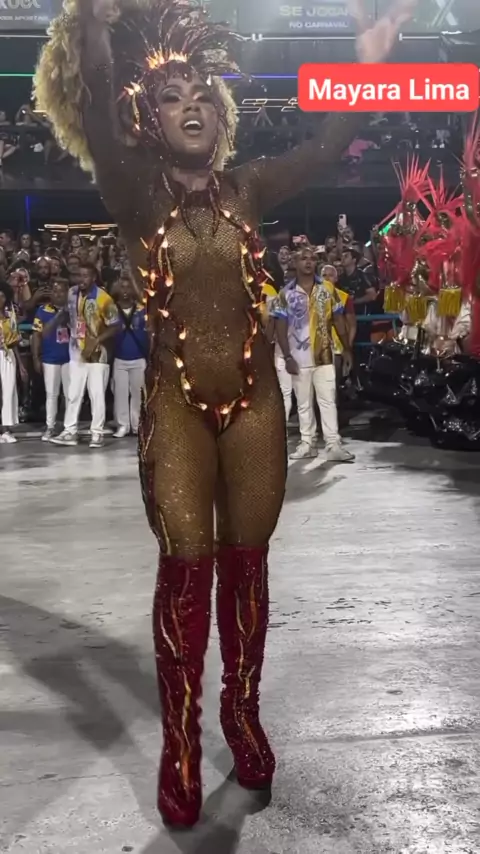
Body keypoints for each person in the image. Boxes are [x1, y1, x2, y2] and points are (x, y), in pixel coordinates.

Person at [35, 0, 416, 827]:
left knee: (249, 564)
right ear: (148, 116)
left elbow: (321, 147)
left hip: (255, 409)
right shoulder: (133, 192)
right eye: (172, 96)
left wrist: (369, 66)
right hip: (176, 408)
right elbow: (96, 106)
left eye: (203, 93)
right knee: (187, 564)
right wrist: (93, 22)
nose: (192, 105)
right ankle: (180, 739)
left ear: (223, 114)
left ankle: (242, 714)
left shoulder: (249, 188)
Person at [272, 246, 354, 461]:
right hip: (297, 358)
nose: (308, 262)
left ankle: (333, 444)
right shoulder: (285, 294)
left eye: (312, 258)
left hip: (324, 355)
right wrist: (287, 356)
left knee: (328, 401)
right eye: (303, 258)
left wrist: (346, 349)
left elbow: (338, 320)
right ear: (295, 263)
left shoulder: (328, 289)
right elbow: (280, 327)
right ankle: (307, 443)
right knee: (304, 403)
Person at [51, 262, 119, 448]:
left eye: (85, 276)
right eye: (79, 275)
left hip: (98, 354)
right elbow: (68, 313)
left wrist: (97, 340)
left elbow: (115, 325)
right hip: (76, 351)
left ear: (93, 277)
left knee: (96, 394)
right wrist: (56, 323)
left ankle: (97, 433)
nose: (81, 279)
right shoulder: (72, 293)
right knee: (73, 393)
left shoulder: (104, 299)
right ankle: (70, 431)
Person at [32, 278, 70, 442]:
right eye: (55, 291)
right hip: (50, 358)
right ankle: (50, 427)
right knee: (52, 395)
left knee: (70, 395)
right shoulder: (42, 311)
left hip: (70, 359)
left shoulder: (74, 310)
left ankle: (69, 427)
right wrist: (36, 357)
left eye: (62, 291)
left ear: (67, 293)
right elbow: (37, 335)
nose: (58, 294)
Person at [112, 274, 148, 437]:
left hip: (138, 357)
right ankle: (122, 425)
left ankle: (136, 425)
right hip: (119, 358)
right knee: (120, 394)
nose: (125, 291)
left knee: (138, 394)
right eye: (122, 287)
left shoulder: (142, 310)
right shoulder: (112, 309)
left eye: (128, 287)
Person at [0, 283, 26, 443]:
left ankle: (6, 429)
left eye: (2, 296)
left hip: (8, 355)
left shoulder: (10, 315)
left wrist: (21, 365)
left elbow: (15, 340)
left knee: (9, 390)